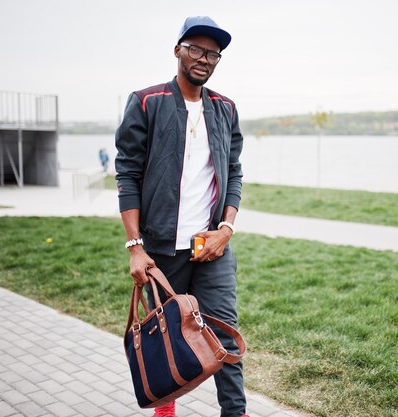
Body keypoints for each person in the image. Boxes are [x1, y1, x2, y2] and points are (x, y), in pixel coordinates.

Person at [115, 16, 248, 417]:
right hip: (159, 248)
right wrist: (135, 246)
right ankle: (165, 409)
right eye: (195, 49)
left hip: (210, 247)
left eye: (212, 53)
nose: (203, 59)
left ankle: (235, 412)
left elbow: (235, 170)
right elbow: (127, 174)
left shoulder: (225, 108)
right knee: (166, 335)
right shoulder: (146, 101)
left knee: (224, 331)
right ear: (178, 51)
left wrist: (226, 227)